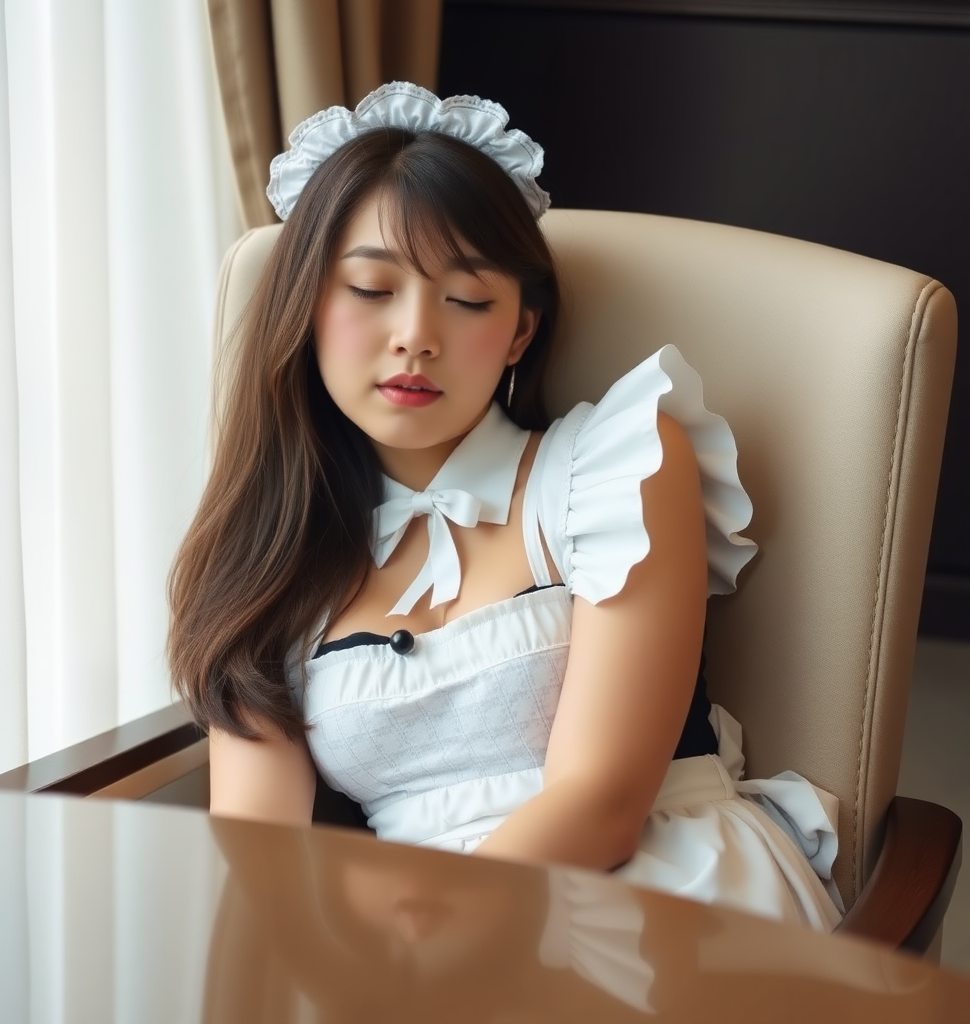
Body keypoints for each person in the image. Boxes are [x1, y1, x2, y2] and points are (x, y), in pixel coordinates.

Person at [168, 82, 842, 930]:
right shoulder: (269, 565)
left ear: (521, 330)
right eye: (372, 290)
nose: (416, 334)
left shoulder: (616, 465)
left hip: (657, 896)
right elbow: (264, 870)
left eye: (468, 298)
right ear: (306, 307)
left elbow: (601, 804)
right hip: (411, 939)